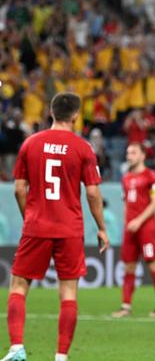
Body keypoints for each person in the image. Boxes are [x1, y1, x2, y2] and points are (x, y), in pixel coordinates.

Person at [2, 92, 109, 361]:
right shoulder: (83, 148)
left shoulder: (30, 144)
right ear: (75, 115)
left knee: (18, 285)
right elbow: (93, 194)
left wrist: (30, 216)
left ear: (51, 112)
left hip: (36, 225)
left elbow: (18, 189)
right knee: (68, 291)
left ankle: (16, 348)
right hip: (69, 228)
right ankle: (61, 356)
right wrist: (101, 227)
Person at [112, 143, 155, 318]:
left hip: (146, 228)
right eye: (128, 152)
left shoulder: (152, 177)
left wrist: (139, 220)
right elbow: (126, 204)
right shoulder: (125, 178)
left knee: (153, 264)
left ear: (143, 156)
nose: (129, 155)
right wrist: (127, 222)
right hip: (130, 229)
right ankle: (125, 306)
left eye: (133, 152)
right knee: (129, 267)